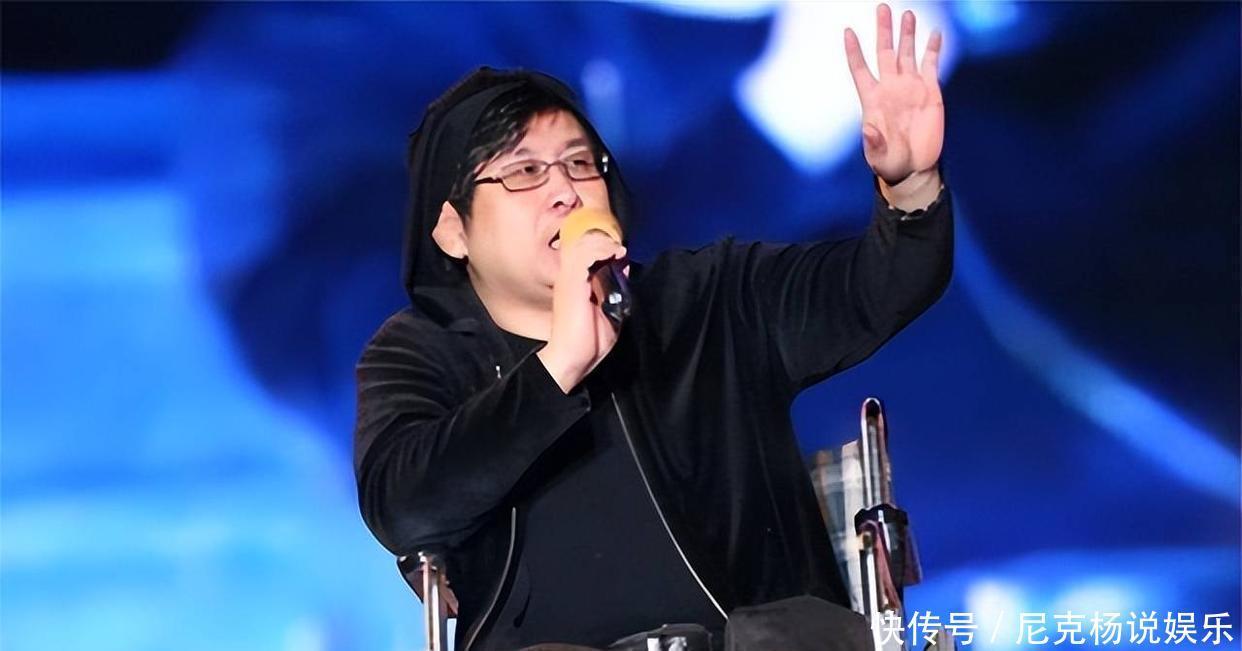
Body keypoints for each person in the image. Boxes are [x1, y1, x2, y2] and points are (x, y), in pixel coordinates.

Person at [353, 5, 950, 650]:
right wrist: (559, 366)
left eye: (581, 165)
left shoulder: (707, 298)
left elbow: (880, 287)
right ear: (453, 230)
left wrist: (911, 185)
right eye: (525, 172)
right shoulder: (420, 353)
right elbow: (404, 508)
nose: (566, 192)